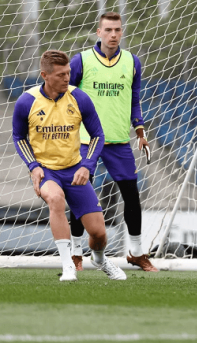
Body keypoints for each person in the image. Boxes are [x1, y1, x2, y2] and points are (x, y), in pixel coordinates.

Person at [12, 50, 126, 282]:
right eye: (62, 74)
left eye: (69, 73)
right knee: (55, 199)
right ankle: (68, 266)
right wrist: (33, 165)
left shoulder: (80, 98)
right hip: (47, 171)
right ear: (45, 75)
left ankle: (101, 259)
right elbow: (19, 137)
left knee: (98, 234)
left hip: (75, 170)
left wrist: (87, 166)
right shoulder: (27, 102)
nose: (67, 78)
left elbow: (97, 135)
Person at [68, 12, 157, 272]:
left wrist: (140, 130)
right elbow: (67, 96)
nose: (113, 34)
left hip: (119, 142)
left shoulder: (132, 62)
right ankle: (75, 254)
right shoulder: (81, 60)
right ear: (98, 32)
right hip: (87, 141)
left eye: (117, 29)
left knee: (131, 195)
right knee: (78, 194)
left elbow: (135, 98)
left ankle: (137, 253)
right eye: (108, 30)